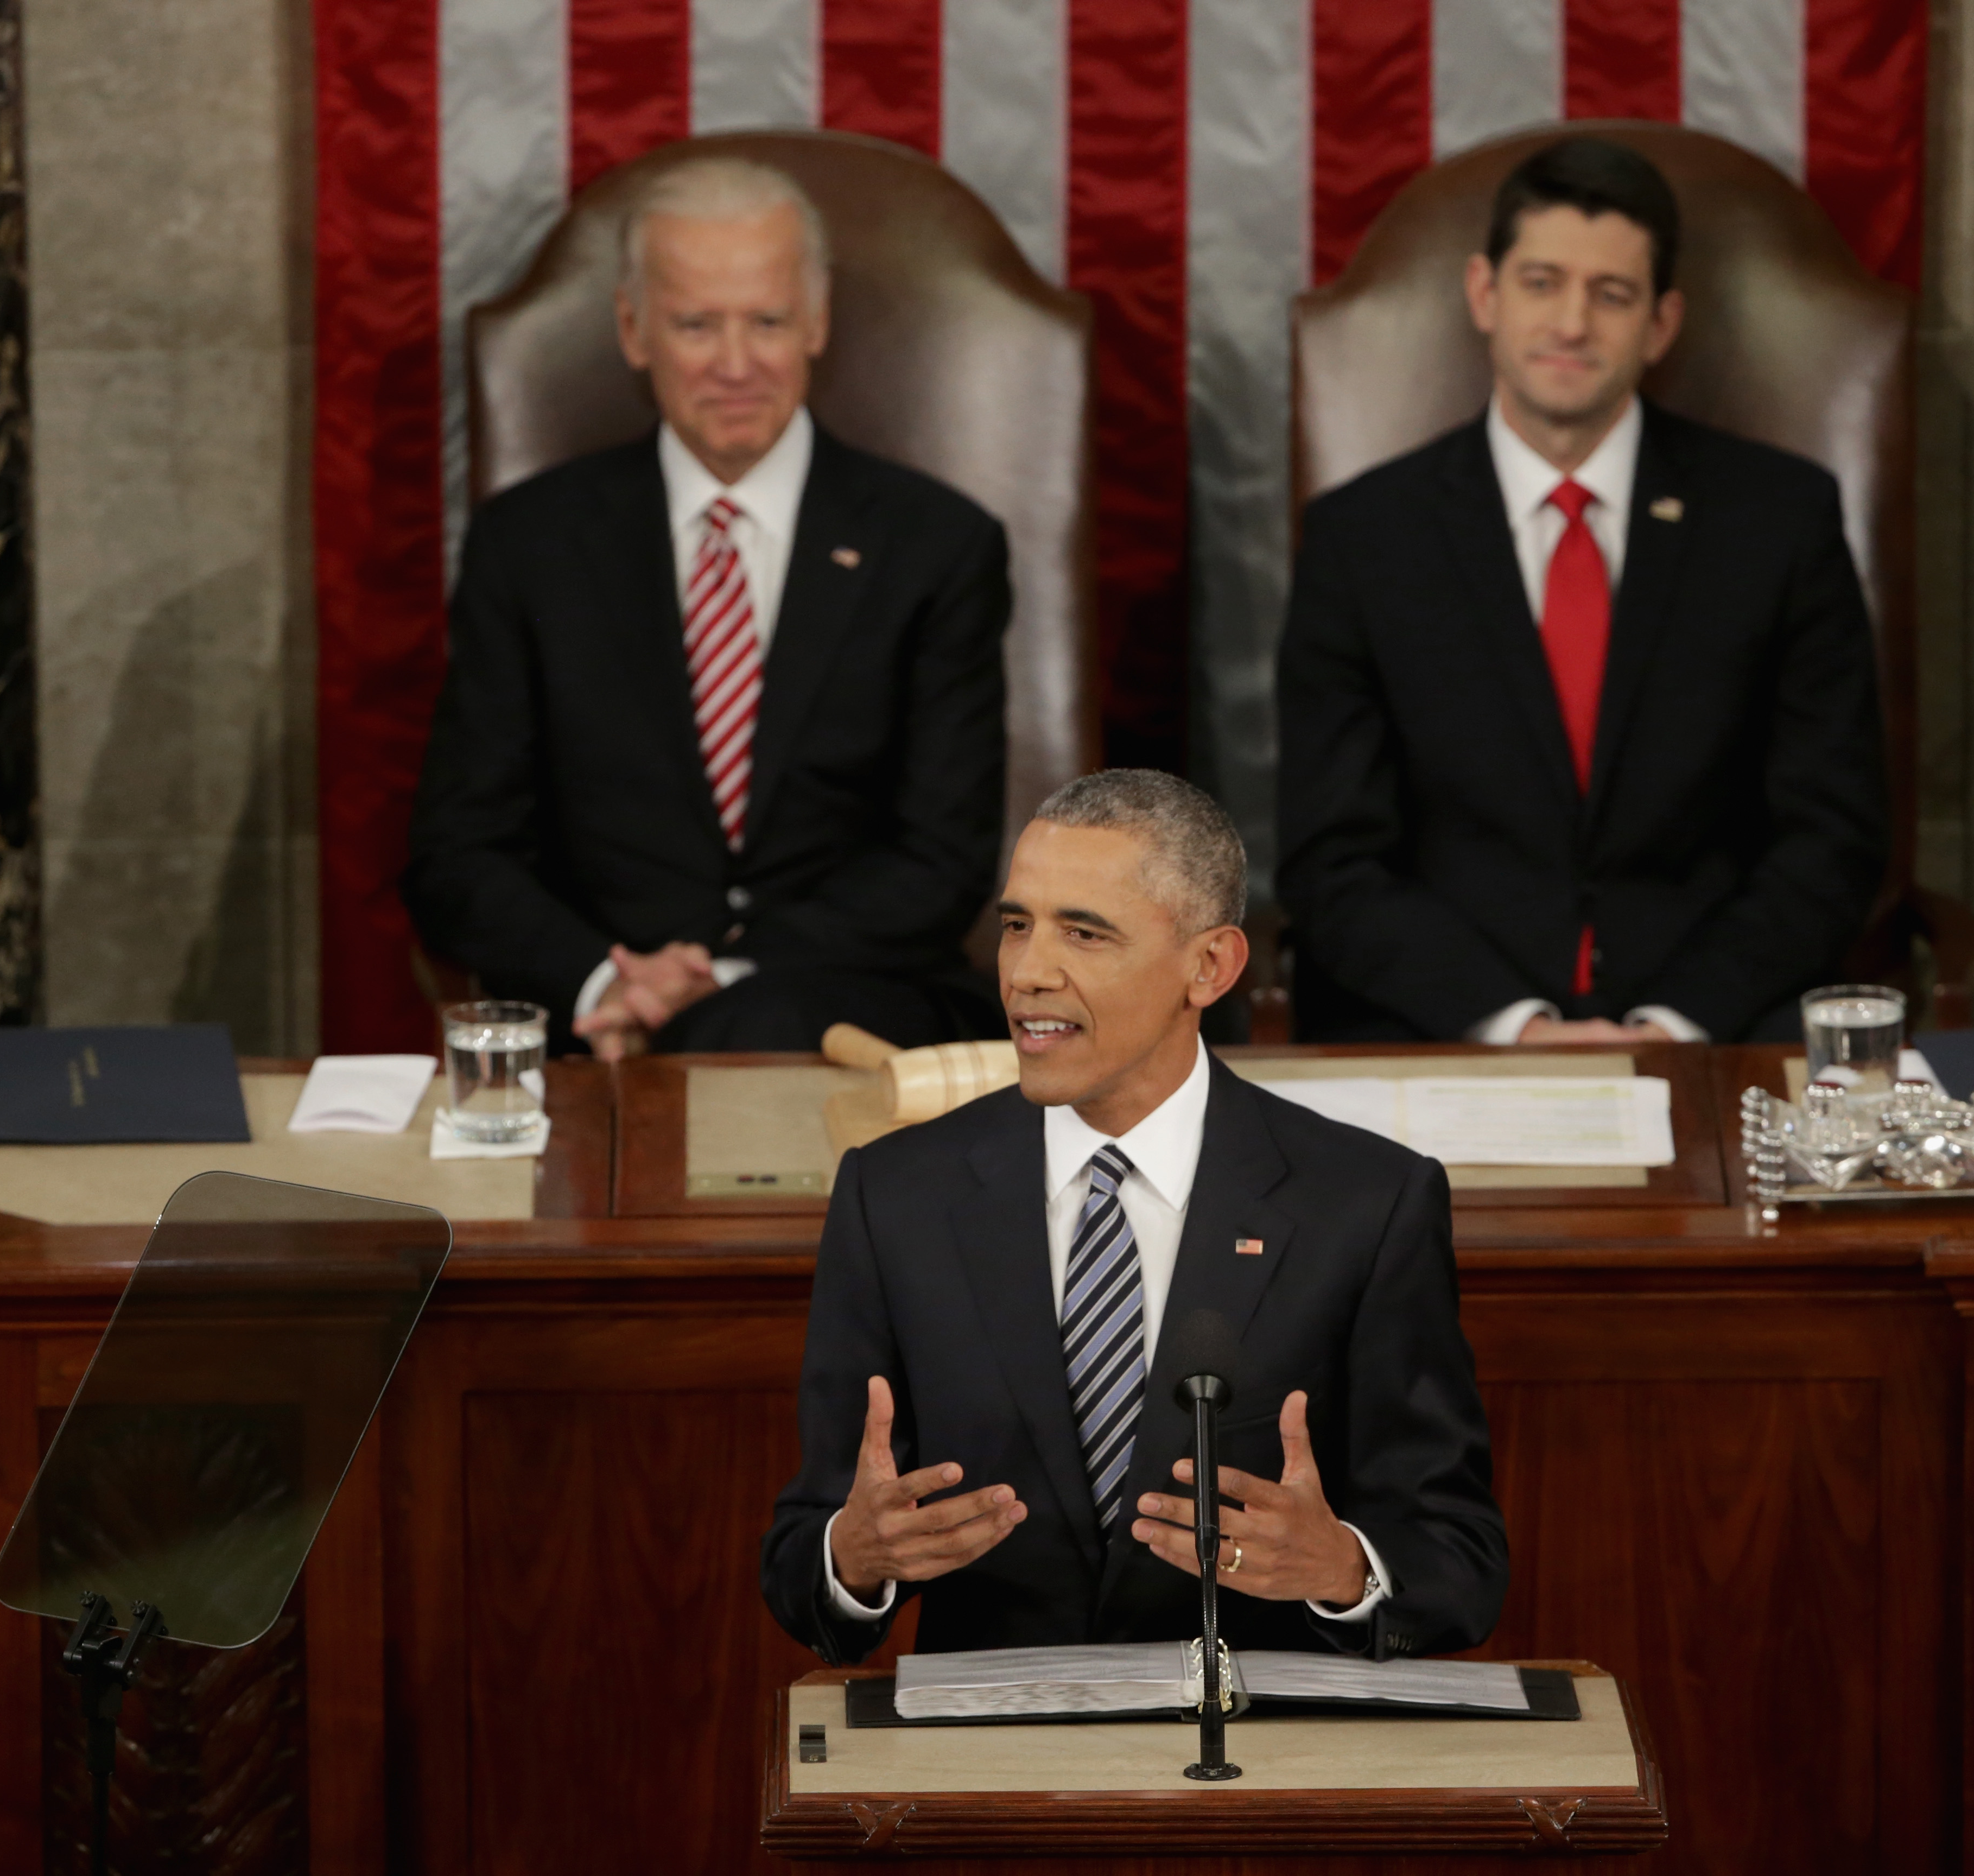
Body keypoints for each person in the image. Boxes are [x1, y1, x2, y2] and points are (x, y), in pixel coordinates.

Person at [761, 770, 1506, 1664]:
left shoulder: (1366, 1202)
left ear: (1211, 966)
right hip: (996, 1769)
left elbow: (1458, 1560)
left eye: (1085, 931)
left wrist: (1343, 1569)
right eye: (1015, 926)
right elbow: (804, 1557)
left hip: (1259, 1756)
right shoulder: (895, 1197)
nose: (1029, 973)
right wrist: (854, 1558)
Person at [1277, 136, 1887, 1046]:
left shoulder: (1780, 520)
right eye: (1542, 283)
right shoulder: (1361, 538)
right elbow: (1332, 860)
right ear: (1484, 294)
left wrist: (1671, 1025)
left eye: (1612, 295)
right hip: (1443, 1028)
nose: (1572, 324)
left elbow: (1830, 837)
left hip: (1718, 1028)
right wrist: (1516, 1028)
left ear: (1662, 323)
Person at [405, 156, 1012, 1056]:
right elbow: (458, 854)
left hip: (842, 1018)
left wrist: (715, 988)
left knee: (755, 1029)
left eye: (767, 321)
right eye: (696, 325)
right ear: (633, 329)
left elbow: (940, 864)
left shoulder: (938, 546)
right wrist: (612, 982)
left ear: (817, 321)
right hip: (594, 1026)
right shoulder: (528, 545)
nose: (736, 365)